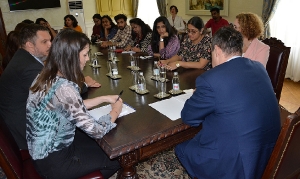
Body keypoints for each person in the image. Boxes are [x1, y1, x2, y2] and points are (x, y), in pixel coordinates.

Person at [175, 26, 281, 179]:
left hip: (237, 166)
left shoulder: (210, 79)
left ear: (217, 50)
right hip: (269, 152)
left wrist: (199, 95)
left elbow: (189, 117)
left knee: (183, 148)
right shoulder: (259, 67)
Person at [26, 28, 121, 179]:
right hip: (56, 163)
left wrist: (103, 98)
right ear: (71, 57)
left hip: (40, 152)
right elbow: (96, 130)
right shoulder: (65, 88)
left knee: (99, 145)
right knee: (118, 157)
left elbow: (68, 106)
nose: (88, 59)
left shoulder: (45, 75)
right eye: (84, 55)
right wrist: (115, 111)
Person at [0, 24, 51, 149]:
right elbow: (56, 94)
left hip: (17, 120)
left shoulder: (23, 57)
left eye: (50, 40)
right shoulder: (29, 67)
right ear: (30, 45)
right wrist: (83, 83)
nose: (50, 45)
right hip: (25, 131)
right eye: (45, 42)